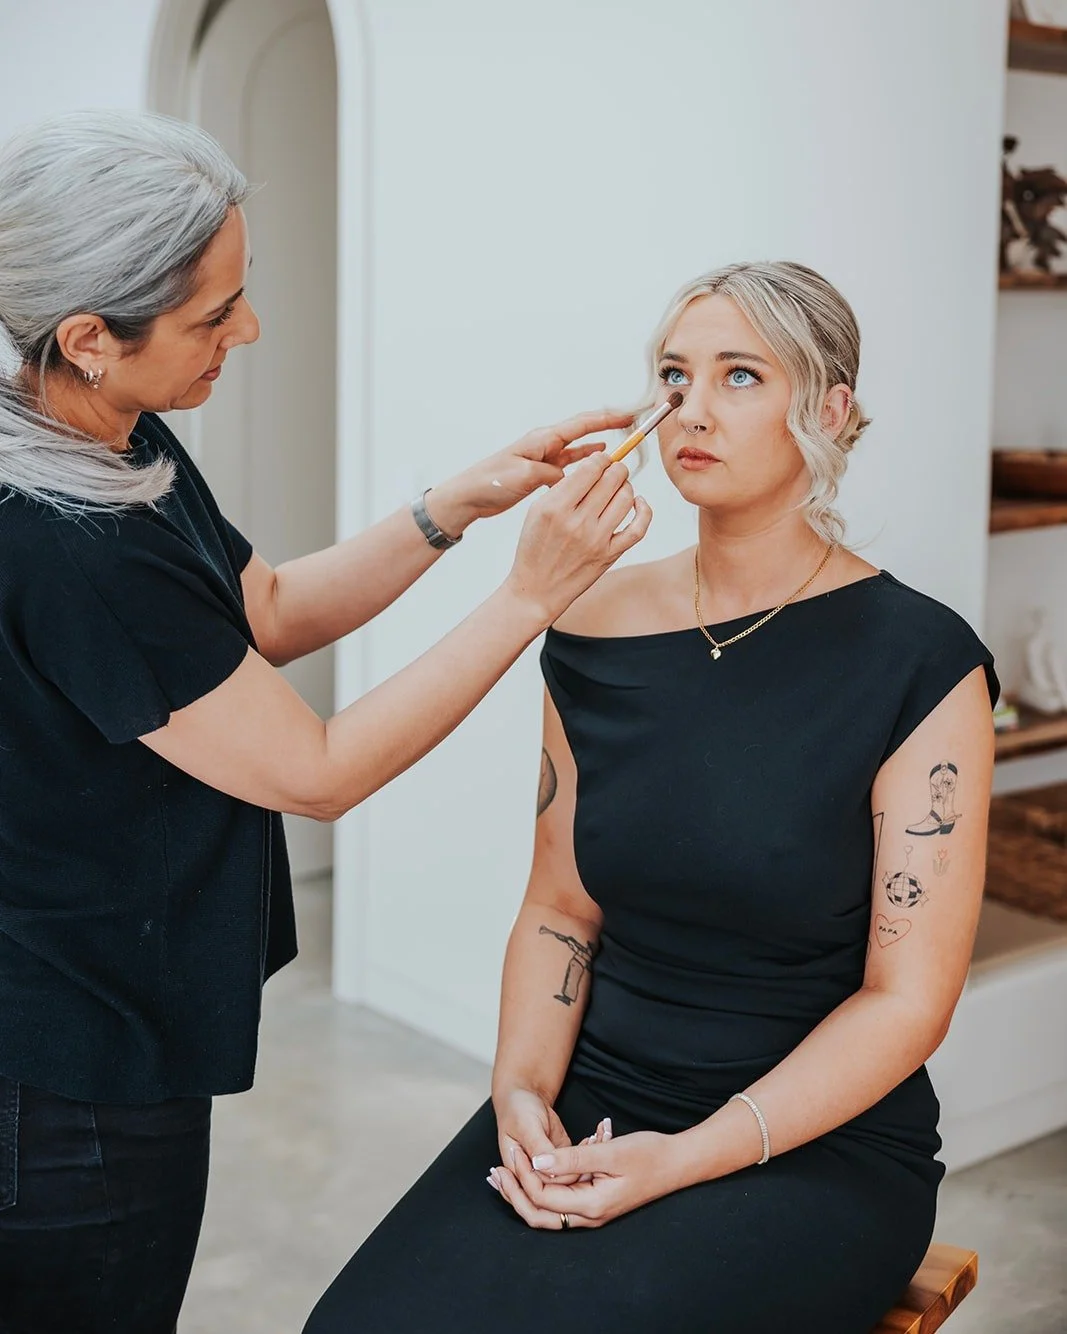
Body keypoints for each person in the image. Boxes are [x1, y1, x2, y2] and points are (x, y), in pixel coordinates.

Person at [0, 111, 651, 1334]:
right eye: (213, 315)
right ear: (90, 336)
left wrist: (456, 500)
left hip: (108, 1010)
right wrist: (531, 592)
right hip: (62, 1067)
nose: (245, 331)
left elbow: (270, 606)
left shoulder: (111, 433)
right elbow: (317, 769)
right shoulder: (59, 536)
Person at [304, 261, 998, 1334]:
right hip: (599, 1097)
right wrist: (521, 1094)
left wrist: (681, 1158)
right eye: (673, 375)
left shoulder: (919, 659)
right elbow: (557, 906)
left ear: (828, 409)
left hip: (811, 1143)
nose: (689, 408)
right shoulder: (589, 625)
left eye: (738, 376)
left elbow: (906, 1000)